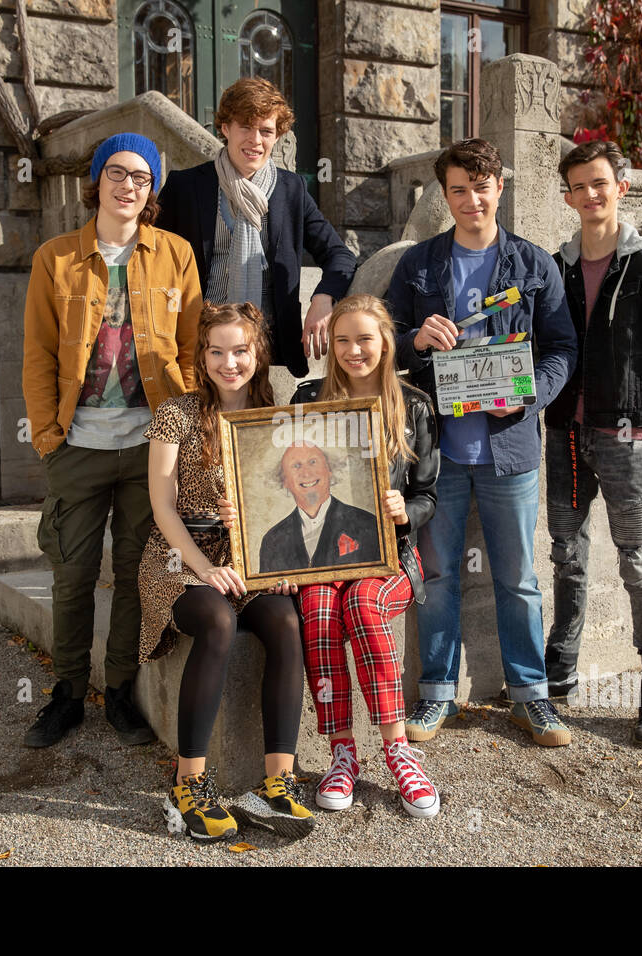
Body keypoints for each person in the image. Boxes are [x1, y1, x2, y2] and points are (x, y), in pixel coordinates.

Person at [387, 138, 578, 748]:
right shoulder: (419, 264)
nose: (471, 199)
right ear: (446, 197)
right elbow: (380, 336)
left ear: (500, 189)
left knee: (518, 577)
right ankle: (435, 693)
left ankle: (531, 696)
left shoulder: (534, 265)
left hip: (509, 451)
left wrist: (533, 394)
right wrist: (415, 337)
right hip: (437, 454)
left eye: (481, 186)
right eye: (459, 190)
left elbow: (562, 348)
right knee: (438, 575)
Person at [21, 132, 199, 749]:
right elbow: (39, 352)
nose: (129, 186)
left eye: (142, 178)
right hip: (78, 444)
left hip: (151, 446)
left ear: (152, 190)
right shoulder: (56, 258)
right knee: (71, 575)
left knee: (132, 572)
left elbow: (192, 346)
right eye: (118, 173)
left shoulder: (175, 254)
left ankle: (119, 690)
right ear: (95, 182)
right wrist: (49, 437)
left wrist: (184, 428)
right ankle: (67, 693)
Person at [138, 302, 314, 842]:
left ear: (258, 353)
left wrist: (278, 560)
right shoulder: (175, 414)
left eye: (239, 350)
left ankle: (278, 781)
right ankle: (188, 783)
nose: (228, 362)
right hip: (179, 554)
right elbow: (162, 507)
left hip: (249, 555)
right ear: (202, 356)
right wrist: (204, 569)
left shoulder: (276, 415)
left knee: (285, 619)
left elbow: (292, 499)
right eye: (216, 351)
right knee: (217, 620)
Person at [545, 140, 642, 747]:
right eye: (578, 186)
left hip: (626, 439)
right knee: (567, 553)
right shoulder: (556, 266)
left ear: (621, 188)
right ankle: (560, 669)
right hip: (564, 434)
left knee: (637, 560)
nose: (589, 195)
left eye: (599, 184)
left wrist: (641, 404)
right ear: (567, 196)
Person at [288, 294, 442, 818]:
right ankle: (342, 753)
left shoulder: (414, 405)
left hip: (390, 557)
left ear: (386, 342)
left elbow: (429, 495)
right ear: (330, 346)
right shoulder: (307, 398)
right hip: (320, 557)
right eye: (344, 340)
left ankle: (398, 750)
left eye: (366, 339)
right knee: (320, 605)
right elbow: (278, 477)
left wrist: (405, 510)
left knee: (362, 603)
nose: (355, 350)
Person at [156, 77, 357, 374]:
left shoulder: (292, 190)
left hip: (266, 349)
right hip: (197, 344)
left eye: (266, 131)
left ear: (277, 136)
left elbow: (340, 255)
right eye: (246, 127)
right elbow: (151, 259)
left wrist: (323, 298)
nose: (256, 140)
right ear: (225, 128)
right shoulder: (184, 187)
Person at [258, 442, 381, 573]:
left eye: (312, 462)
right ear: (285, 481)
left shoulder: (367, 524)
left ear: (329, 470)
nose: (306, 473)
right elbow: (267, 589)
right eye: (296, 466)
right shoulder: (272, 541)